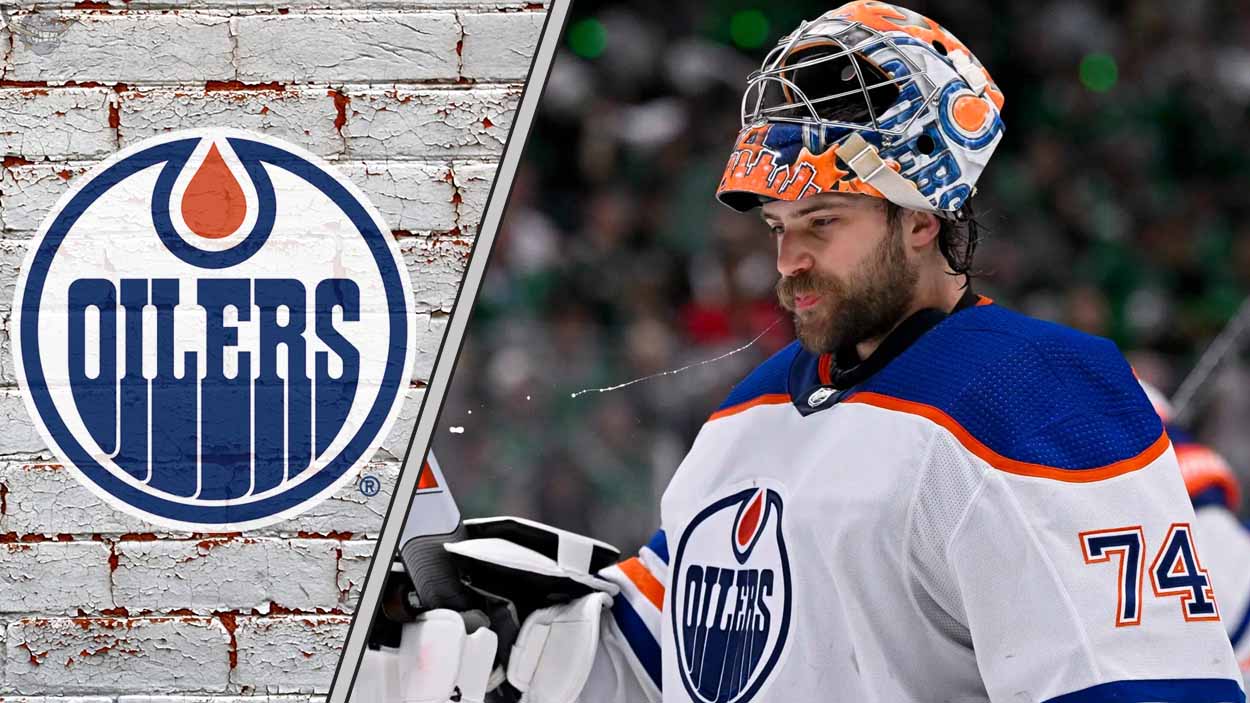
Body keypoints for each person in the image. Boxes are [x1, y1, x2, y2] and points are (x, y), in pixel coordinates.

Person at [406, 3, 1245, 702]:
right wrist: (503, 631)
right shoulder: (749, 415)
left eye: (821, 223)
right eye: (777, 227)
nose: (786, 261)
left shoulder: (1032, 397)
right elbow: (665, 663)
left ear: (924, 218)